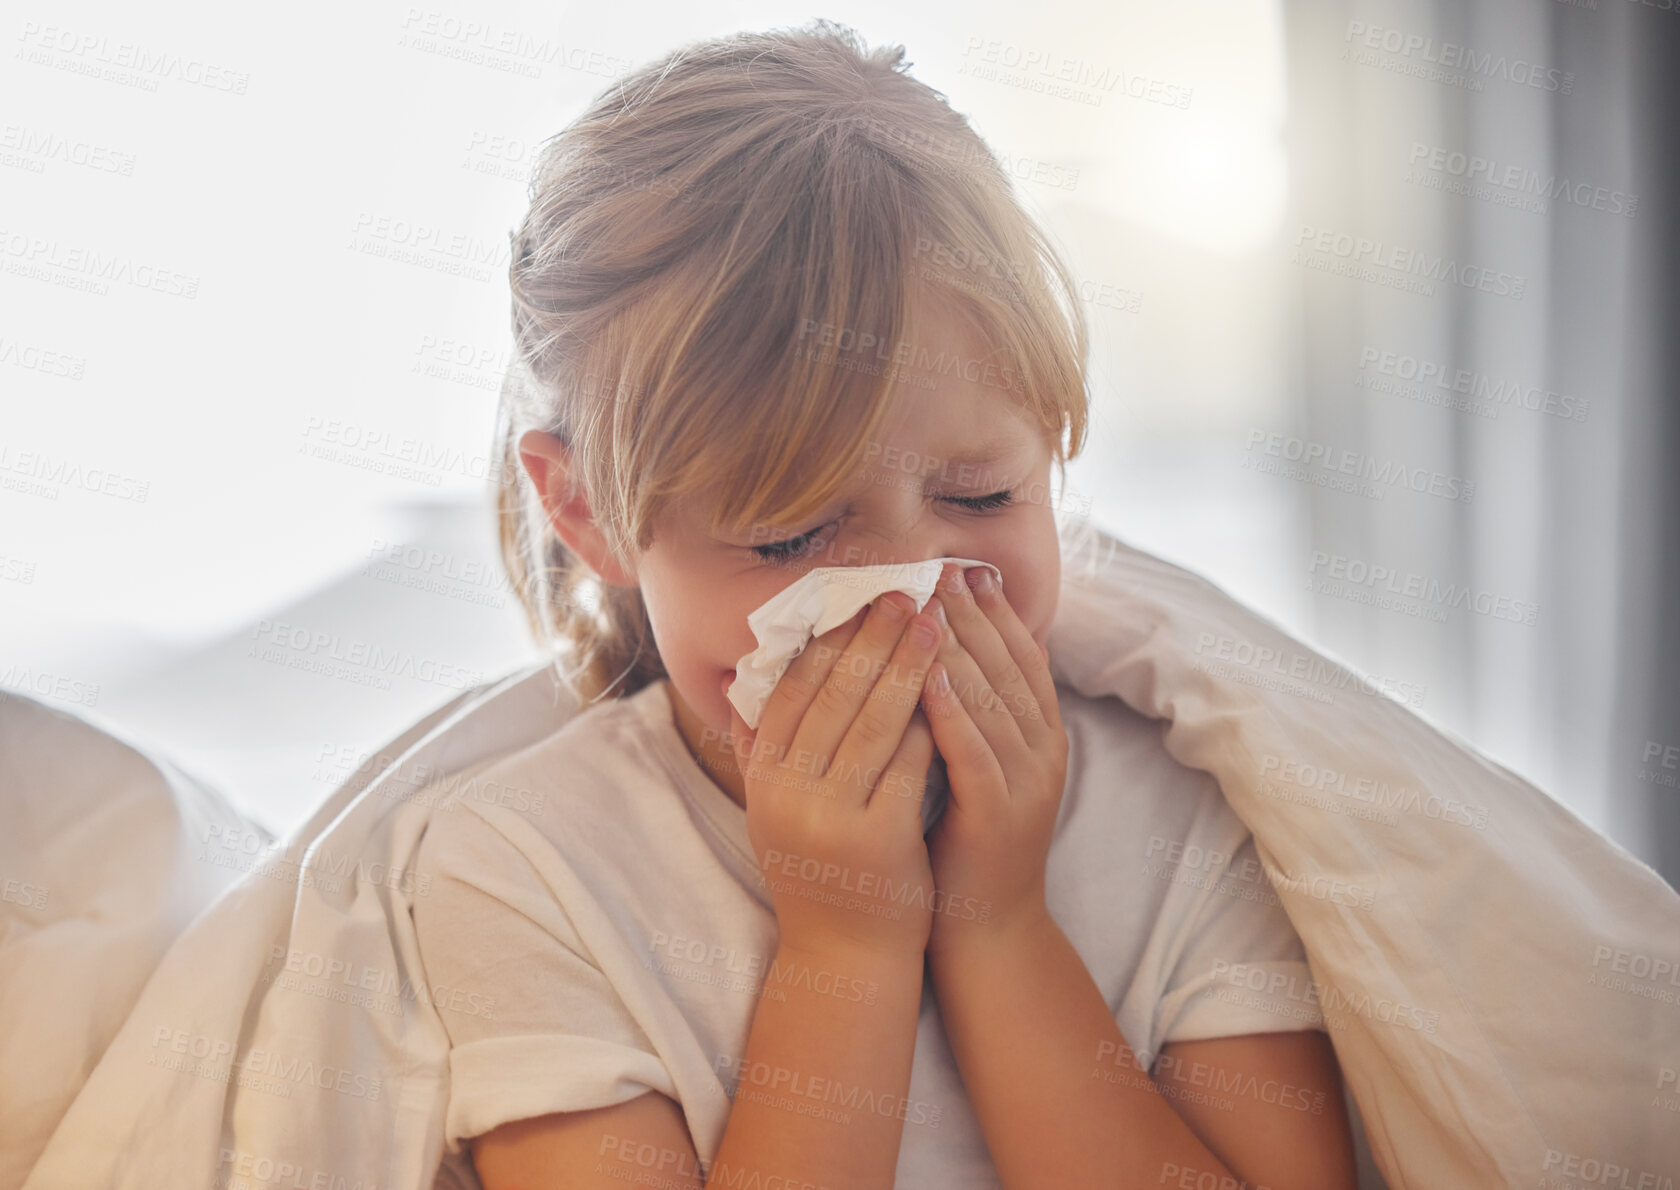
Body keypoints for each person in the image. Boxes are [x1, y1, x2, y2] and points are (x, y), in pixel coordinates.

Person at [411, 20, 1357, 1189]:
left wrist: (1000, 926)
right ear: (589, 511)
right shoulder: (525, 864)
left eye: (982, 491)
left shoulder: (1184, 800)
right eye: (790, 533)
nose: (909, 594)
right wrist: (843, 943)